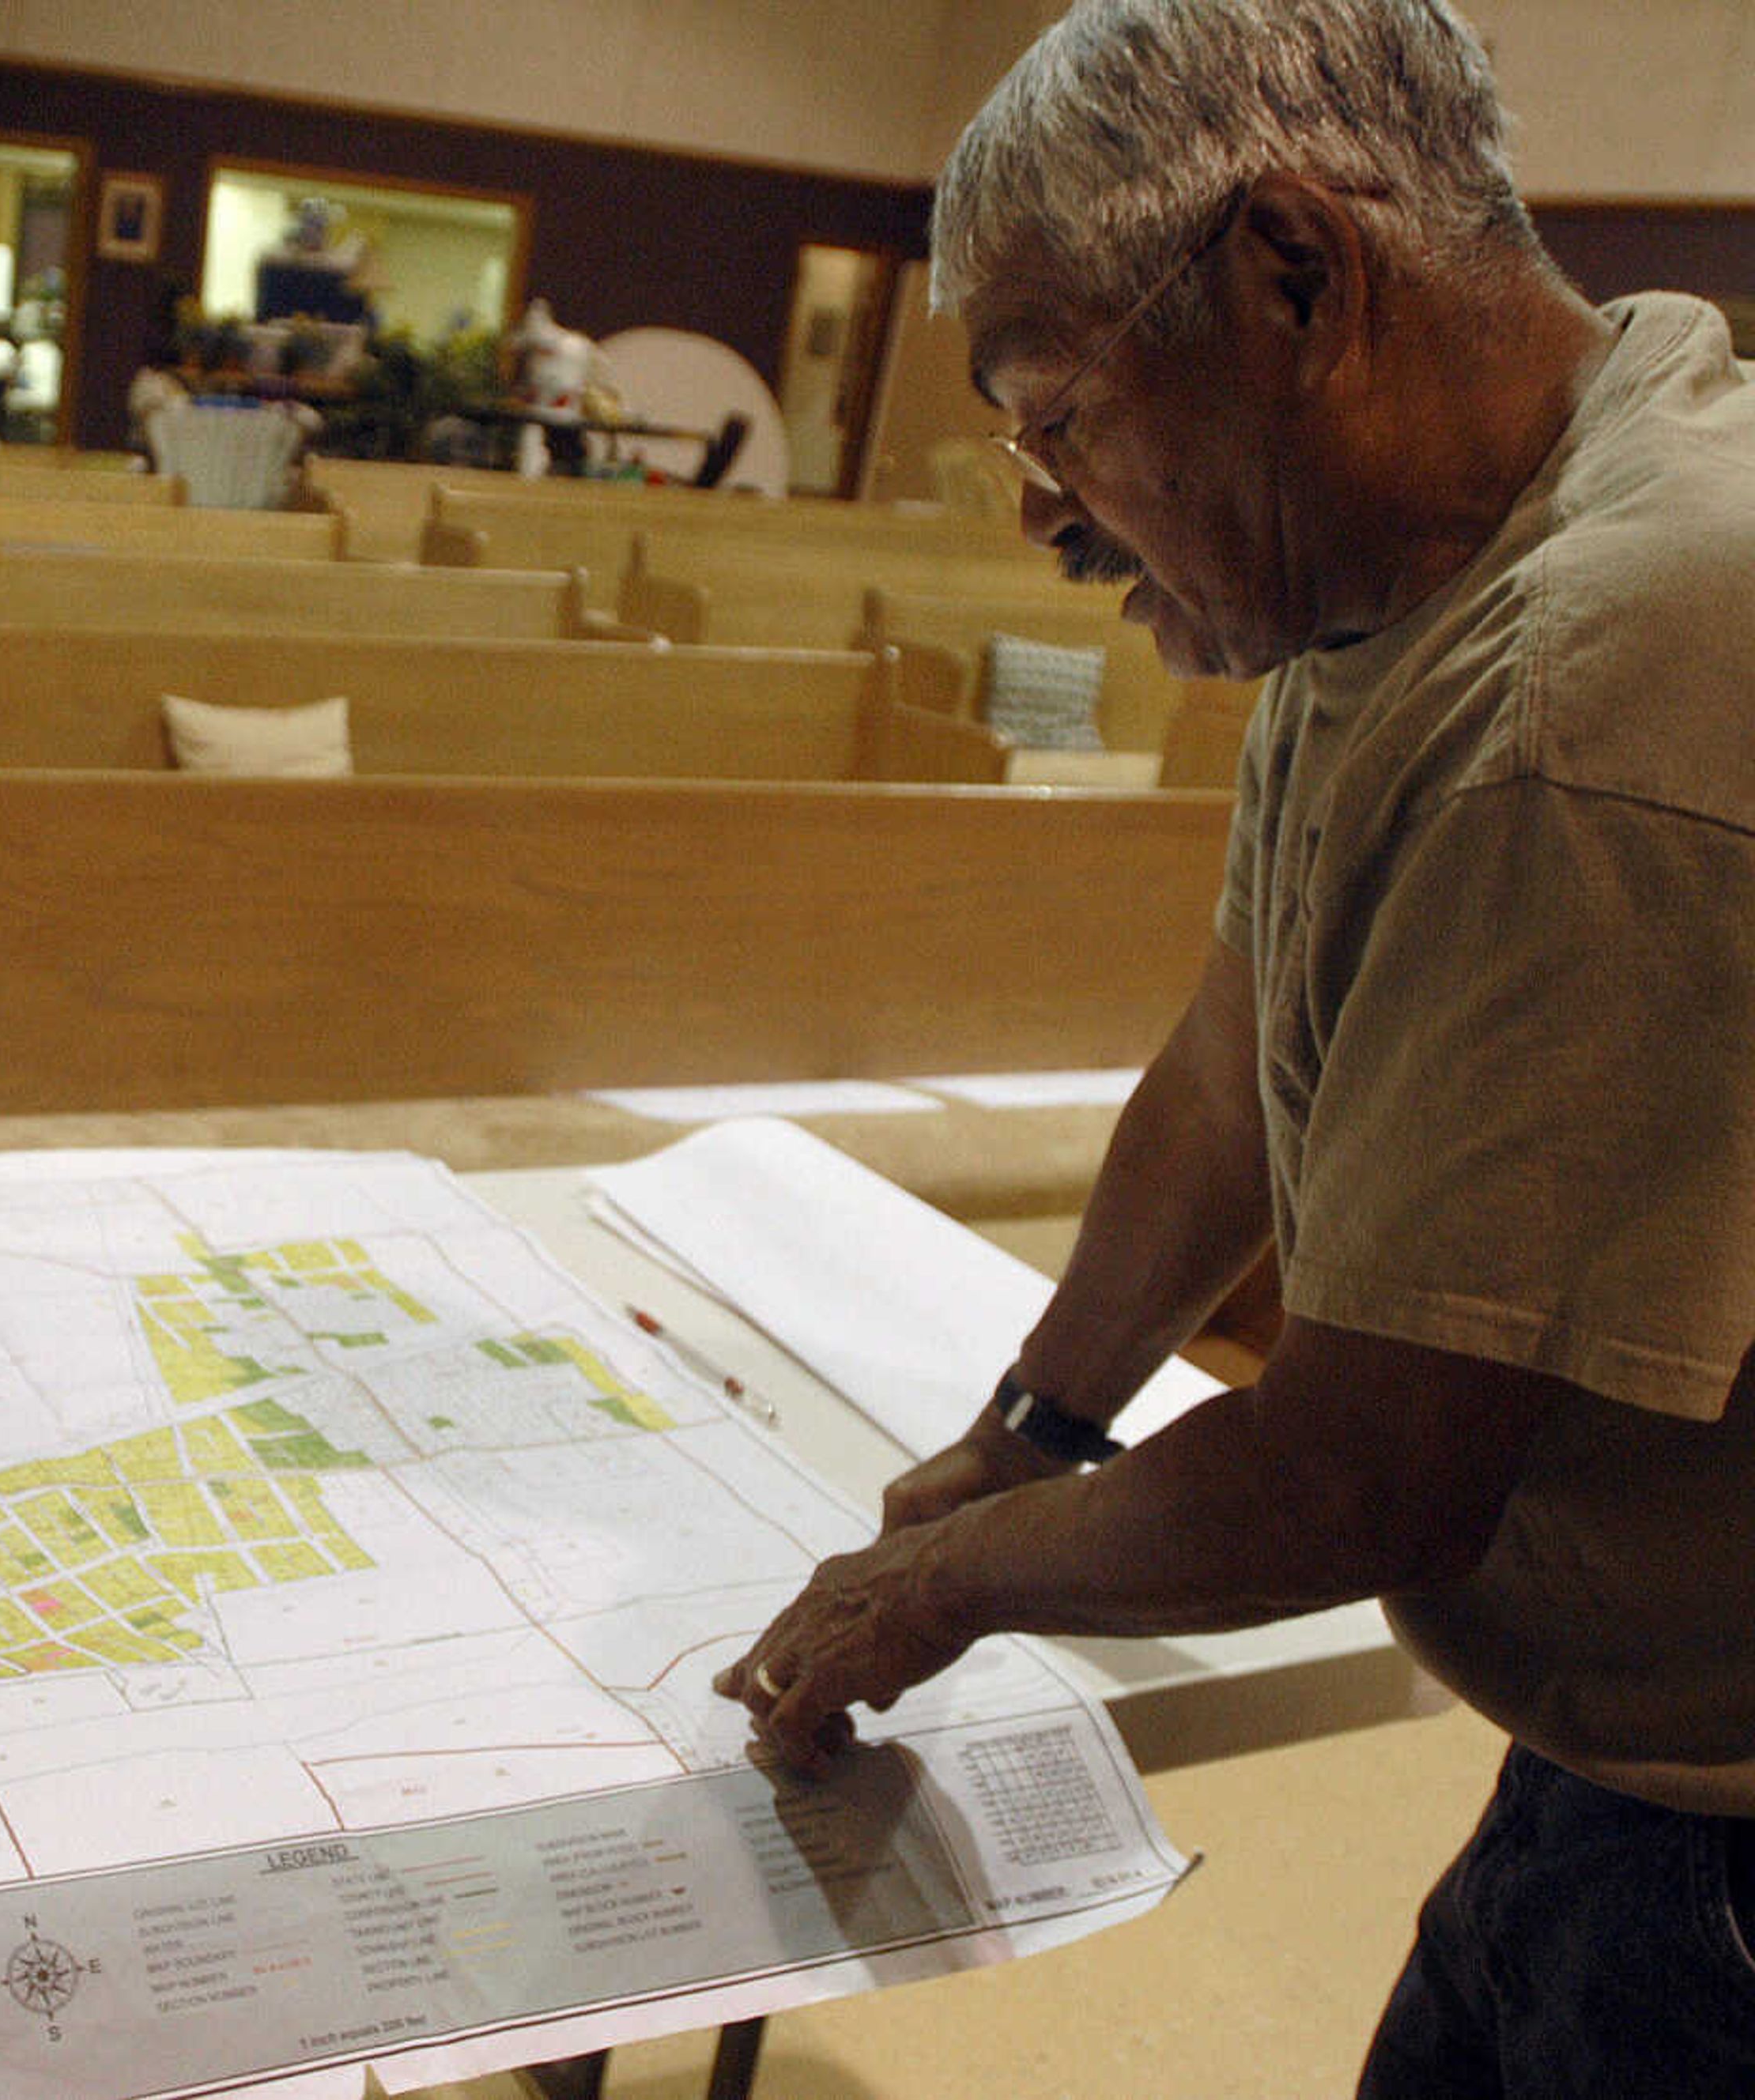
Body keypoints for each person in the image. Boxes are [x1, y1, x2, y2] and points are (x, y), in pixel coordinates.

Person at [715, 2, 1755, 2090]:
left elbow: (1374, 1466)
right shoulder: (1389, 566)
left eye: (1060, 412)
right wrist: (1039, 1422)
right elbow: (1234, 1062)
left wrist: (956, 1583)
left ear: (1296, 278)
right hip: (1612, 1758)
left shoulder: (1601, 664)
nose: (1042, 512)